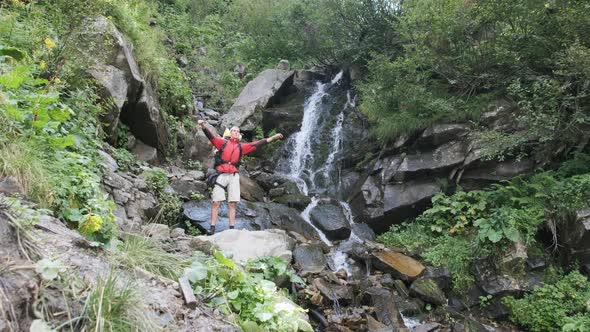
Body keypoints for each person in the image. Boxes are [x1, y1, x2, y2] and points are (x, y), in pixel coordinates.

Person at [197, 119, 283, 235]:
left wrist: (273, 138)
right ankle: (212, 228)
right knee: (216, 202)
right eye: (233, 130)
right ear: (230, 133)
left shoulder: (242, 147)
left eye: (238, 131)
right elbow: (210, 136)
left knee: (232, 203)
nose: (236, 132)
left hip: (233, 175)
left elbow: (258, 143)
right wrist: (203, 125)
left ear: (239, 135)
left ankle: (231, 229)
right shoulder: (222, 143)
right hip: (221, 174)